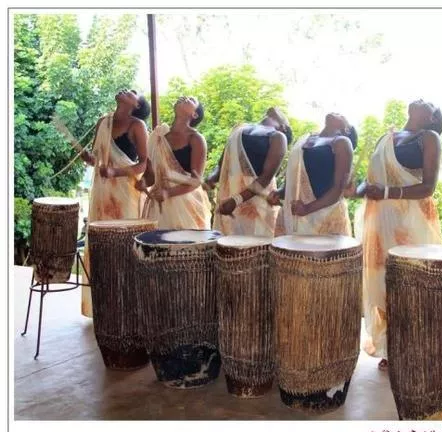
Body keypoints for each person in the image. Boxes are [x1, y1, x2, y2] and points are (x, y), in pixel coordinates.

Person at [354, 99, 442, 371]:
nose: (423, 100)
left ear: (431, 118)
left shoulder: (429, 138)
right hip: (380, 221)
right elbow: (368, 180)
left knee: (409, 283)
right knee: (382, 284)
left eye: (430, 104)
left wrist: (386, 192)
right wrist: (359, 189)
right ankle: (391, 346)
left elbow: (428, 187)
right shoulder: (386, 137)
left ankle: (413, 347)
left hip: (410, 221)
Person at [79, 88, 150, 318]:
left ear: (136, 105)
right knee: (101, 247)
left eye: (133, 92)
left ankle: (127, 308)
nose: (126, 90)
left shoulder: (137, 126)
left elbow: (144, 165)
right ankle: (105, 307)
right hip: (102, 193)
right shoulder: (103, 122)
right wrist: (88, 158)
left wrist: (116, 172)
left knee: (123, 246)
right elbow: (96, 159)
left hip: (125, 194)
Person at [267, 113, 356, 236]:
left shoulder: (342, 142)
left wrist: (307, 208)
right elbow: (294, 176)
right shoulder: (304, 139)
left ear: (346, 129)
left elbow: (338, 190)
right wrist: (280, 192)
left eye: (340, 115)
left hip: (324, 217)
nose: (336, 113)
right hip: (294, 214)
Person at [206, 107, 291, 236]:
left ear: (283, 128)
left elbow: (265, 179)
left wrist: (236, 200)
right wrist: (211, 178)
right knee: (228, 243)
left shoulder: (278, 137)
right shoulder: (238, 129)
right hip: (228, 198)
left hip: (255, 205)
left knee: (254, 244)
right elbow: (221, 165)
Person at [139, 96, 211, 229]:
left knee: (186, 241)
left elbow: (196, 181)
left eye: (192, 100)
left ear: (194, 115)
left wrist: (168, 193)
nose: (185, 97)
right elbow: (150, 175)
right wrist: (143, 181)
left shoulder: (196, 139)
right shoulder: (158, 138)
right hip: (160, 206)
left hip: (186, 204)